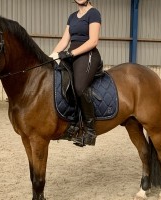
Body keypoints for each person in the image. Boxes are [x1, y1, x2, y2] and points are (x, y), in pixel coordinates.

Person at [50, 0, 102, 146]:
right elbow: (64, 40)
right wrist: (51, 56)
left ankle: (90, 131)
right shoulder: (72, 17)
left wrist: (71, 54)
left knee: (79, 88)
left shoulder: (94, 13)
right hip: (71, 54)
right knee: (62, 82)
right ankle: (72, 124)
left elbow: (93, 41)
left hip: (88, 54)